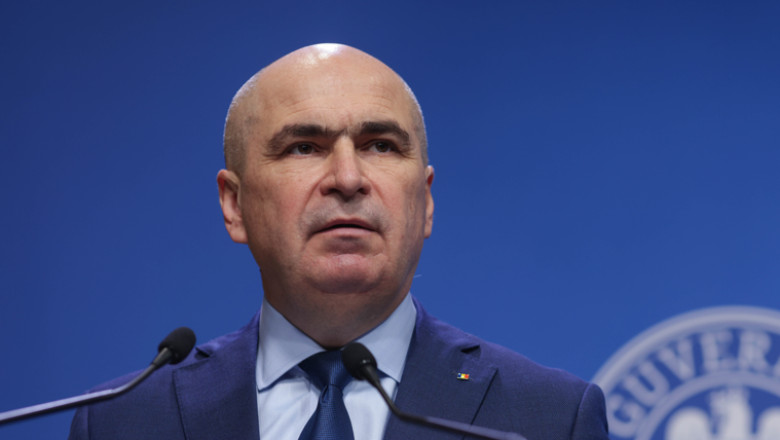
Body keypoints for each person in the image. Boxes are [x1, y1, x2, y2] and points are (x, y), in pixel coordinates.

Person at [68, 43, 608, 440]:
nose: (348, 178)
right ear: (234, 205)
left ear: (425, 201)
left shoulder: (549, 419)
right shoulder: (124, 420)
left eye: (380, 145)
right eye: (304, 147)